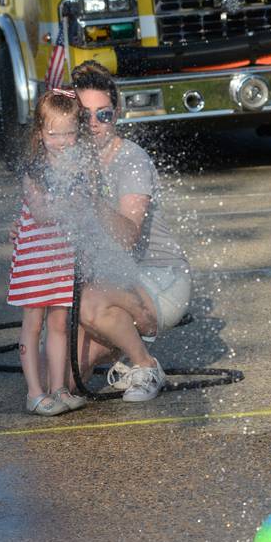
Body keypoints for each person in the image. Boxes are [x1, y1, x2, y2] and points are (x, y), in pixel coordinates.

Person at [68, 60, 192, 402]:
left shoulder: (131, 161)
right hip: (112, 283)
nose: (94, 124)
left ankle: (145, 363)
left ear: (117, 113)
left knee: (88, 303)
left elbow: (127, 237)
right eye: (85, 115)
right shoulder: (72, 159)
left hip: (161, 278)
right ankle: (121, 351)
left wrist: (91, 201)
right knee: (65, 378)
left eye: (103, 114)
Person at [7, 89, 89, 416]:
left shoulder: (80, 168)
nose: (62, 141)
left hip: (62, 258)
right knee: (33, 322)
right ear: (40, 133)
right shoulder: (34, 169)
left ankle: (59, 389)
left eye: (70, 133)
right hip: (34, 259)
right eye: (54, 134)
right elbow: (40, 213)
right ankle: (34, 392)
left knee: (59, 323)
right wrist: (73, 203)